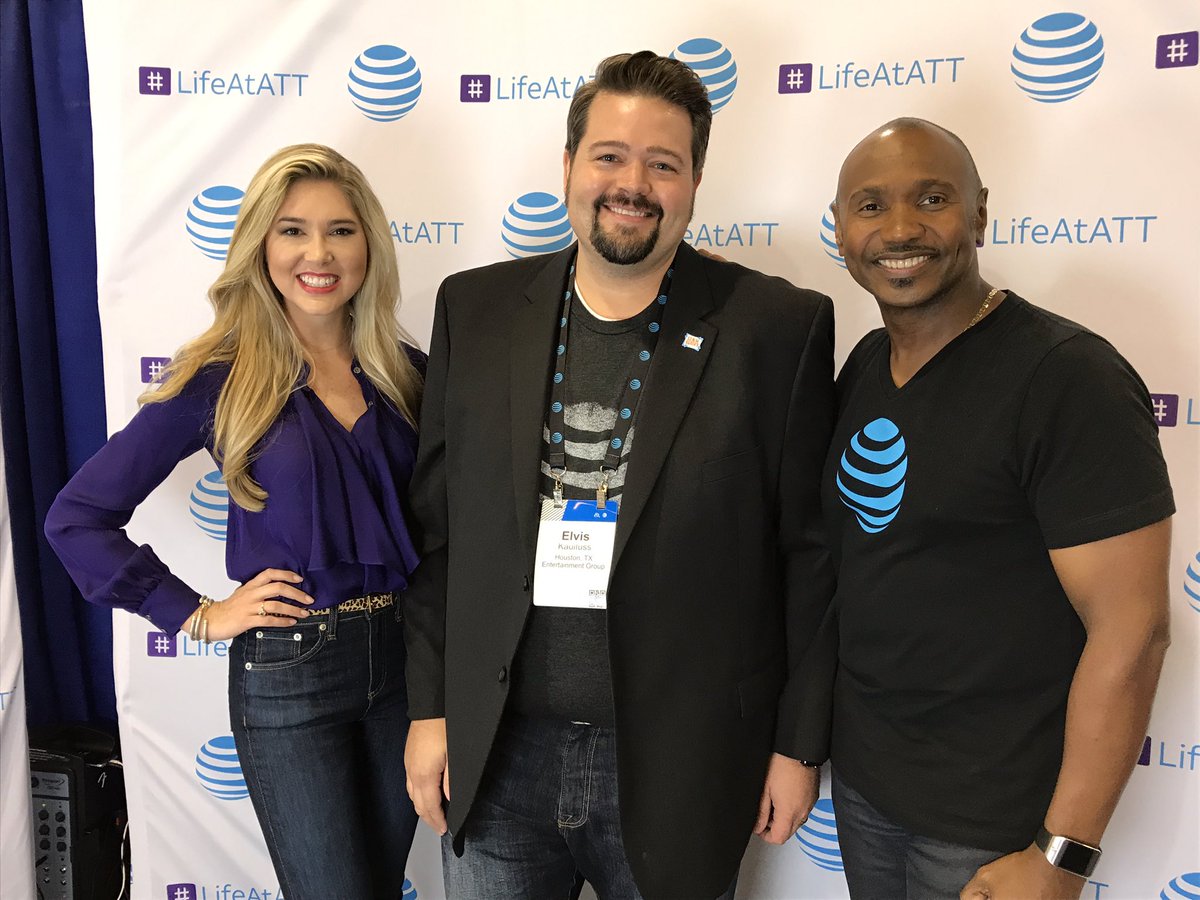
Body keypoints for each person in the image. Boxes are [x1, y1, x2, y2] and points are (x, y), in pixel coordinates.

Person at [401, 50, 836, 900]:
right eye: (609, 155)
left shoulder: (777, 327)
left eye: (662, 163)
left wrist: (796, 745)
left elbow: (810, 556)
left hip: (683, 755)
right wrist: (430, 708)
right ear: (568, 166)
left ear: (695, 180)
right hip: (499, 751)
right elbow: (439, 530)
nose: (631, 183)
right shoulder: (475, 311)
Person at [44, 144, 424, 899]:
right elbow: (76, 518)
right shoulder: (222, 376)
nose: (318, 253)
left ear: (369, 246)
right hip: (291, 670)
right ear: (259, 246)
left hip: (410, 666)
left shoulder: (407, 371)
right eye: (292, 230)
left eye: (341, 230)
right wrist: (195, 613)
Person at [823, 118, 1174, 900]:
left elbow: (1134, 631)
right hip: (867, 792)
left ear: (980, 213)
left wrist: (1062, 854)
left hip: (991, 820)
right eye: (871, 206)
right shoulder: (866, 365)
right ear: (841, 228)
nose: (902, 228)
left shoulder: (1065, 377)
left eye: (934, 198)